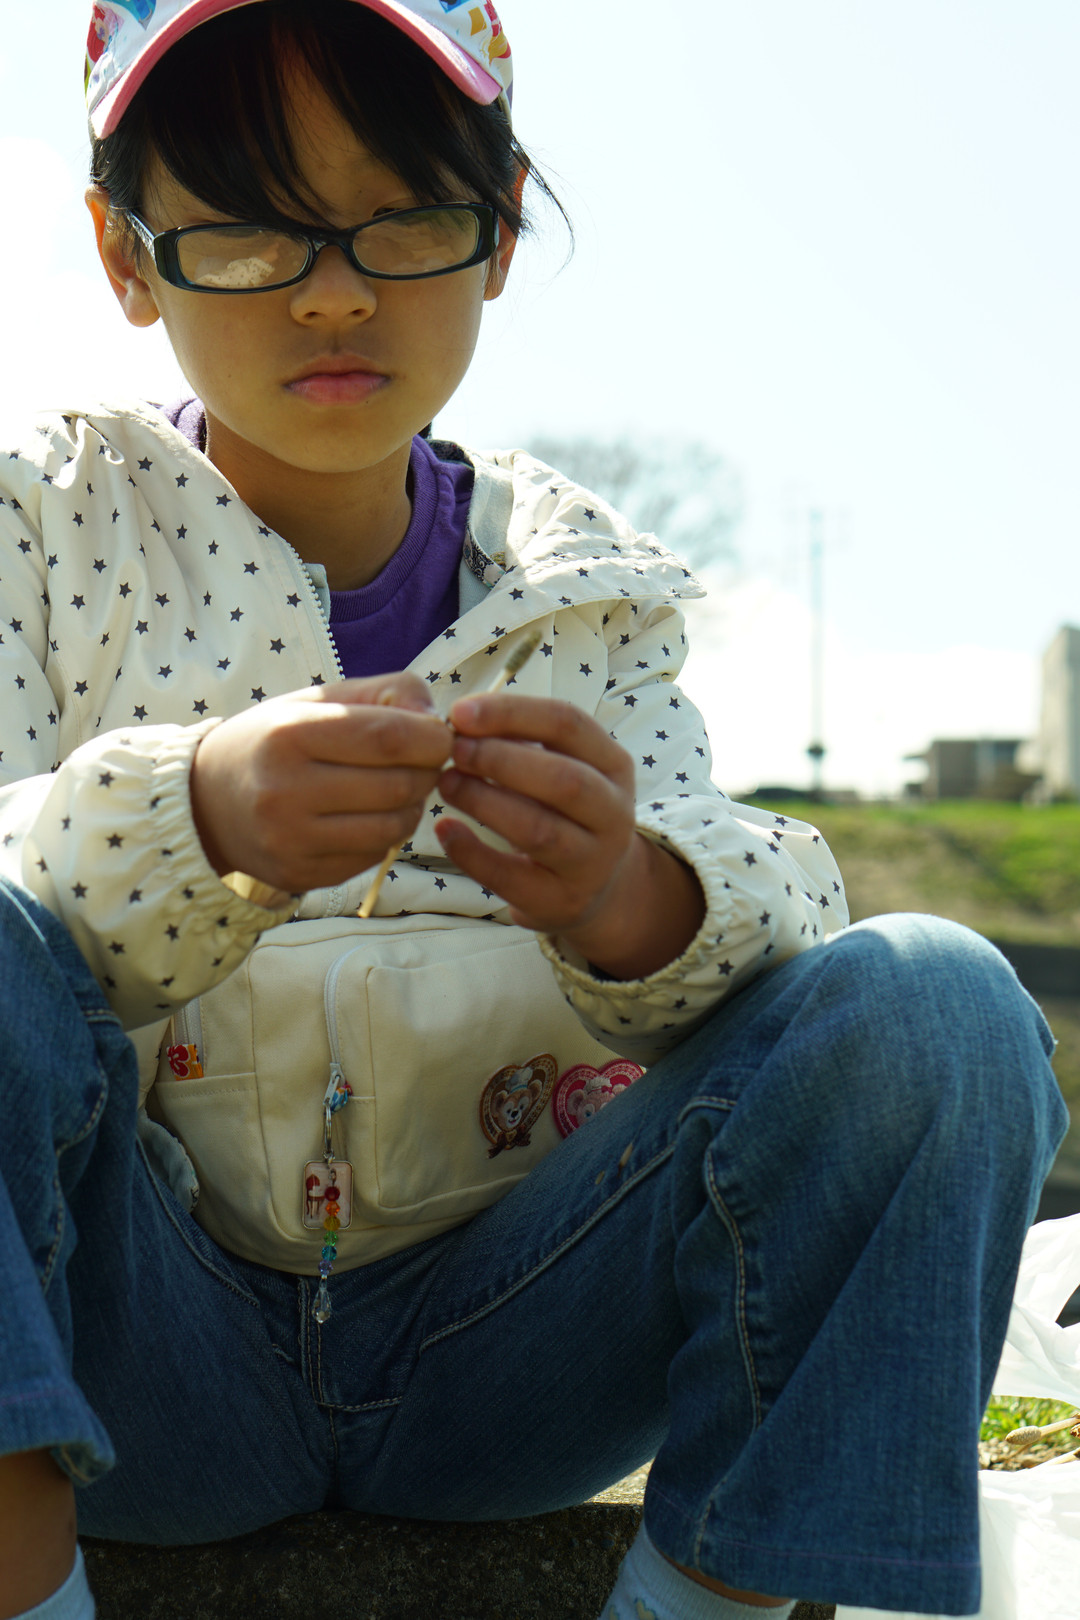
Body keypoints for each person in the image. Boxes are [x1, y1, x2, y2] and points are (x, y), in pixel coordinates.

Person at [0, 5, 1067, 1619]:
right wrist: (189, 820)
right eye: (247, 231)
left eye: (402, 219)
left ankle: (701, 1600)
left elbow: (792, 956)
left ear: (498, 230)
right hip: (137, 1355)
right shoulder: (47, 529)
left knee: (937, 1001)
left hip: (516, 1349)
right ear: (124, 256)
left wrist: (632, 898)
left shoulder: (582, 588)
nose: (334, 290)